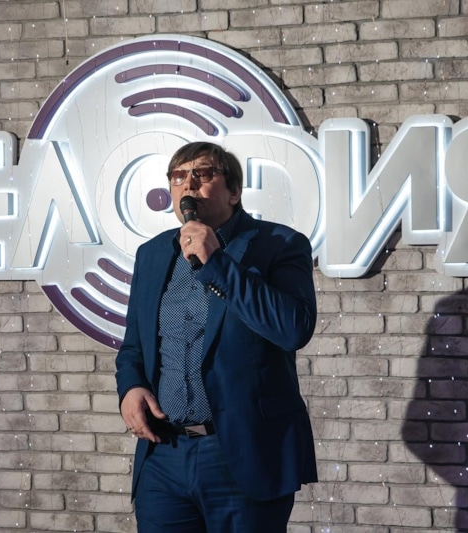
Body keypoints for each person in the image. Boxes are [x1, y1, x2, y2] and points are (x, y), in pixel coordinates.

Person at [115, 141, 318, 532]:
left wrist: (218, 262)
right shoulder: (152, 254)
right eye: (178, 176)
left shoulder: (280, 245)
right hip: (164, 456)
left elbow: (293, 329)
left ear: (234, 192)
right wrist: (131, 388)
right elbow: (134, 347)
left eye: (203, 174)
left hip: (242, 454)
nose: (188, 184)